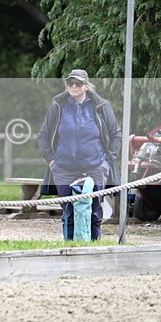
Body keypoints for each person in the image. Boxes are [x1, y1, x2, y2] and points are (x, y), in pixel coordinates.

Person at [37, 69, 122, 241]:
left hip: (95, 166)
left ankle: (94, 246)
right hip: (64, 168)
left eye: (78, 83)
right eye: (71, 83)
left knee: (94, 211)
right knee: (68, 211)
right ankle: (69, 248)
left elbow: (116, 135)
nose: (74, 86)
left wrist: (107, 162)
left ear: (86, 86)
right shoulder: (58, 107)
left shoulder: (101, 106)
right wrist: (52, 161)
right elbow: (43, 136)